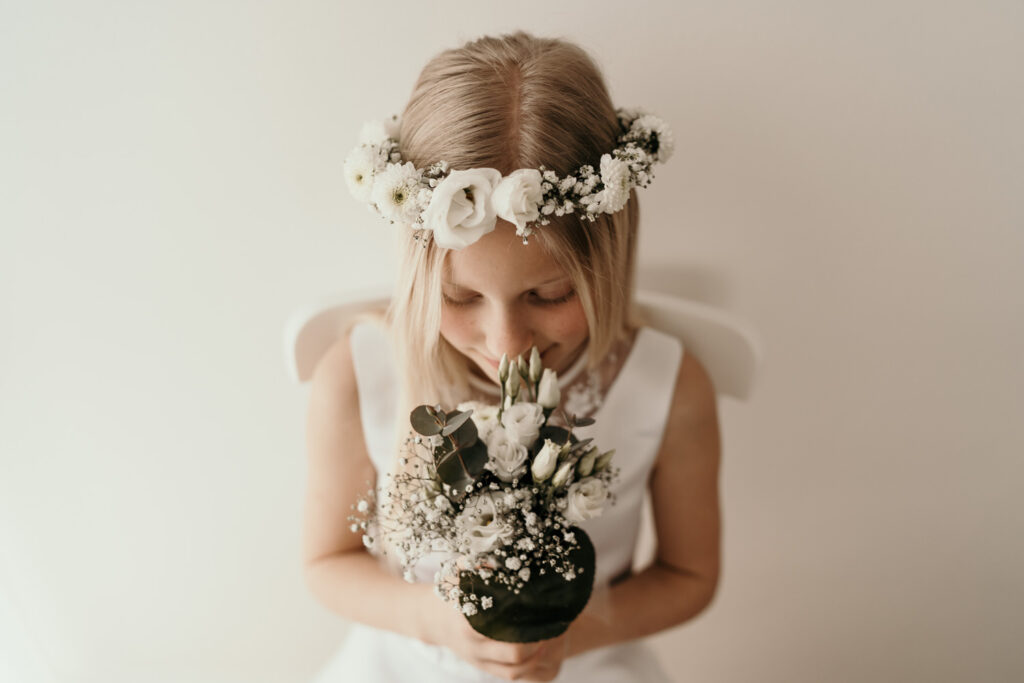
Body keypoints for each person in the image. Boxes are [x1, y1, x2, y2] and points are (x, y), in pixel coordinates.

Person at [302, 31, 722, 682]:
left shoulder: (666, 385)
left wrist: (562, 635)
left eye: (549, 293)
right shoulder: (359, 373)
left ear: (606, 262)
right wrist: (441, 621)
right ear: (418, 271)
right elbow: (326, 562)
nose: (507, 343)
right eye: (460, 296)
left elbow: (689, 574)